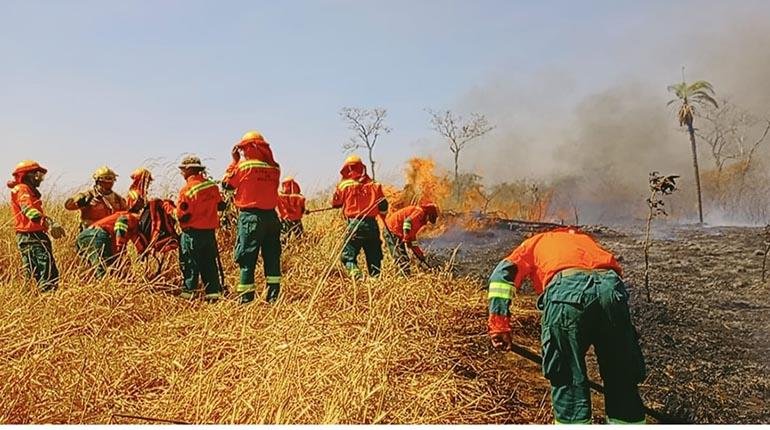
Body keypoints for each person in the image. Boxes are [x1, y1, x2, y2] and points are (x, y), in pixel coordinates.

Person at [487, 227, 646, 424]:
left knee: (567, 375)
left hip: (566, 293)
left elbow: (502, 276)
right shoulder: (584, 240)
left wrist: (499, 326)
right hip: (611, 289)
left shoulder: (536, 242)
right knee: (621, 374)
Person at [222, 130, 282, 304]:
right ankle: (273, 298)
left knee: (247, 259)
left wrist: (234, 160)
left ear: (250, 147)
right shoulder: (275, 167)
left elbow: (227, 184)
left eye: (243, 149)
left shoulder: (244, 166)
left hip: (250, 217)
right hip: (272, 218)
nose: (242, 152)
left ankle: (246, 300)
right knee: (272, 258)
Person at [7, 160, 64, 292]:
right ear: (29, 175)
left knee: (33, 272)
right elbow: (28, 211)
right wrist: (48, 222)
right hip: (32, 236)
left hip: (29, 236)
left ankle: (32, 299)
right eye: (38, 175)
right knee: (46, 271)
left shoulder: (24, 190)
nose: (41, 179)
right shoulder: (23, 189)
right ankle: (47, 300)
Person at [176, 156, 225, 301]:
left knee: (190, 265)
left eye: (183, 170)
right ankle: (213, 296)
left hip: (192, 235)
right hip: (209, 234)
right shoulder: (212, 187)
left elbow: (182, 216)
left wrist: (171, 210)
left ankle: (187, 297)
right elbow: (221, 205)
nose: (182, 173)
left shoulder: (187, 190)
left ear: (189, 169)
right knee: (210, 265)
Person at [331, 155, 388, 279]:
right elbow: (383, 205)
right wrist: (383, 217)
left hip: (354, 224)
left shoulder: (343, 185)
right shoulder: (375, 185)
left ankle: (357, 277)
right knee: (374, 258)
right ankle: (376, 282)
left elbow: (336, 203)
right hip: (372, 225)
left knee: (347, 257)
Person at [75, 210, 141, 279]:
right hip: (97, 236)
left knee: (94, 273)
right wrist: (120, 248)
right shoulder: (133, 218)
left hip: (82, 237)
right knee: (104, 274)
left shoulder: (129, 228)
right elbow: (121, 221)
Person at [383, 203, 439, 275]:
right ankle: (403, 278)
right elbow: (407, 221)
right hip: (391, 231)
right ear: (428, 214)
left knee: (404, 258)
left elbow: (412, 238)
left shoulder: (420, 221)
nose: (428, 221)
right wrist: (406, 236)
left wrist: (420, 255)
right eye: (430, 218)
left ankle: (405, 276)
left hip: (397, 233)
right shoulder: (419, 212)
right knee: (401, 258)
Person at [276, 176, 307, 241]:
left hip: (285, 220)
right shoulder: (300, 197)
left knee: (284, 239)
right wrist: (305, 211)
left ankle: (285, 250)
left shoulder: (279, 196)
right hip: (296, 220)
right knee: (300, 237)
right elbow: (303, 209)